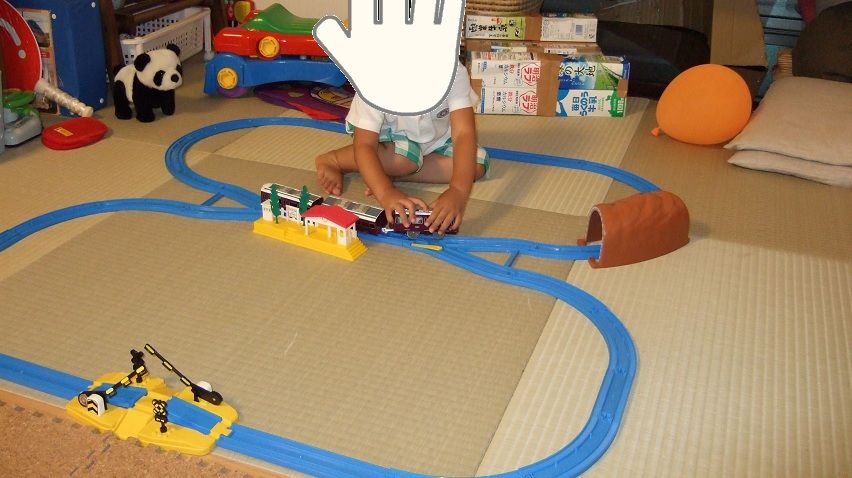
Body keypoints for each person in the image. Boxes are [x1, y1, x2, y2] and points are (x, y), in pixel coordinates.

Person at [315, 62, 489, 235]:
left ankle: (385, 173)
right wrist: (386, 193)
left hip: (436, 136)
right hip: (388, 138)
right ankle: (335, 160)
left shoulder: (453, 71)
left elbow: (463, 134)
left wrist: (458, 191)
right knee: (406, 160)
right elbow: (365, 145)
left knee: (476, 165)